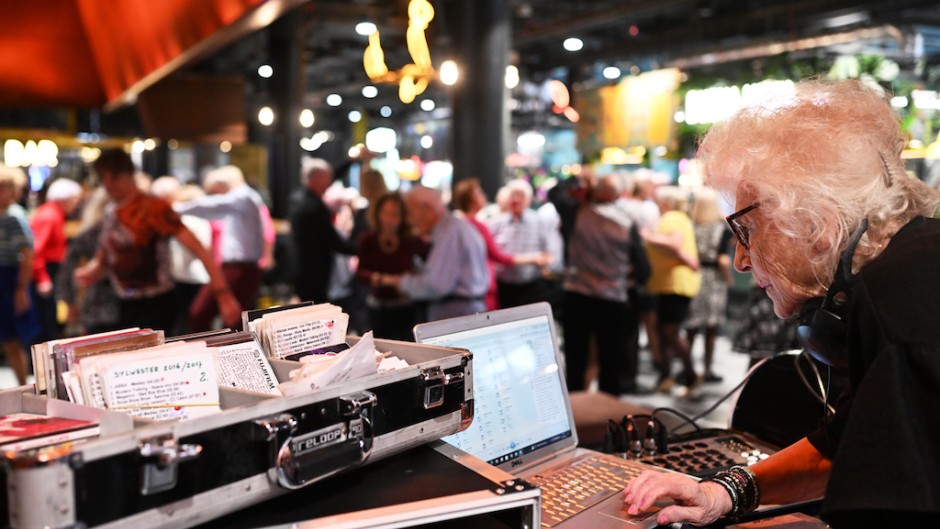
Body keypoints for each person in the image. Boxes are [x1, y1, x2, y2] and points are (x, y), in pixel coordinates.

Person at [623, 79, 940, 528]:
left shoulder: (896, 302)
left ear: (815, 223)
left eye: (745, 231)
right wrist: (723, 492)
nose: (740, 260)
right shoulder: (908, 269)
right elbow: (846, 442)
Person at [74, 149, 241, 331]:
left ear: (128, 175)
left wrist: (223, 295)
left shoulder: (154, 208)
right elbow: (103, 260)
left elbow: (199, 249)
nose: (106, 183)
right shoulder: (110, 212)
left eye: (113, 177)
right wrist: (88, 273)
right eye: (102, 177)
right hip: (123, 303)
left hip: (156, 305)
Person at [561, 175, 637, 395]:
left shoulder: (577, 212)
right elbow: (642, 267)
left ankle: (575, 410)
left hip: (578, 294)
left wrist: (577, 179)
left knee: (576, 359)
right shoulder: (626, 221)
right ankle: (608, 414)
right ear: (618, 194)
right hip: (612, 298)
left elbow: (555, 194)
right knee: (611, 361)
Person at [173, 166, 266, 331]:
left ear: (222, 186)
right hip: (240, 268)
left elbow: (210, 207)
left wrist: (174, 210)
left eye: (214, 192)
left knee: (206, 315)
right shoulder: (246, 198)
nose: (214, 195)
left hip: (239, 268)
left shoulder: (242, 196)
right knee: (232, 319)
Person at [378, 186, 488, 321]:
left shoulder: (449, 232)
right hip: (464, 312)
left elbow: (435, 286)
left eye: (410, 213)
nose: (408, 220)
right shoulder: (454, 228)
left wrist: (401, 282)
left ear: (426, 209)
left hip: (457, 315)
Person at [452, 178, 549, 311]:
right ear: (472, 199)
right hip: (483, 288)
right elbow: (498, 256)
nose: (484, 196)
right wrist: (533, 258)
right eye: (479, 193)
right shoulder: (479, 225)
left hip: (518, 286)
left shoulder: (464, 223)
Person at [642, 185, 701, 395]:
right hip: (668, 283)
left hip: (674, 284)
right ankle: (667, 376)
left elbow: (675, 245)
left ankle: (690, 374)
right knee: (664, 332)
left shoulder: (672, 218)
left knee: (670, 332)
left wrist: (646, 235)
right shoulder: (679, 218)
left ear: (666, 202)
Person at [355, 193, 429, 340]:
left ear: (403, 217)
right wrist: (381, 279)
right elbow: (360, 273)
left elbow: (427, 270)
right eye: (385, 213)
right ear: (378, 214)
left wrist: (407, 281)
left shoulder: (412, 241)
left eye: (395, 215)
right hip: (378, 308)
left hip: (405, 308)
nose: (389, 220)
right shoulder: (368, 240)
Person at [288, 158, 357, 304]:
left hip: (301, 269)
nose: (330, 183)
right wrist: (362, 248)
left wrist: (351, 161)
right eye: (327, 178)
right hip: (313, 273)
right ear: (318, 178)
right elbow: (333, 241)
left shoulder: (298, 197)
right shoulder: (314, 207)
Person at [55, 187, 120, 335]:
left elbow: (66, 271)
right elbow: (67, 271)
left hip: (105, 307)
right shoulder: (94, 232)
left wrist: (70, 304)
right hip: (105, 307)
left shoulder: (91, 231)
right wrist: (70, 304)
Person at [486, 179, 561, 308]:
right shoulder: (495, 223)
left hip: (531, 288)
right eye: (513, 195)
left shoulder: (539, 222)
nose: (516, 200)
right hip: (503, 288)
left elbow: (550, 253)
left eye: (520, 195)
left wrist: (543, 261)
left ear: (528, 200)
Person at [683, 189, 733, 383]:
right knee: (711, 328)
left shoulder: (690, 225)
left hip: (693, 276)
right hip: (713, 279)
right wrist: (729, 280)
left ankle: (687, 368)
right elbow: (722, 260)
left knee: (691, 327)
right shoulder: (721, 228)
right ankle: (707, 369)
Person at [30, 178, 83, 342]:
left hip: (51, 269)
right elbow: (36, 249)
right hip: (47, 270)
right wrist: (42, 278)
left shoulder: (54, 214)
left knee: (49, 317)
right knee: (46, 319)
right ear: (64, 199)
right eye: (74, 199)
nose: (76, 204)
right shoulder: (49, 216)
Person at [0, 166, 38, 385]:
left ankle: (23, 385)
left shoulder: (15, 217)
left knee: (12, 339)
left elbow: (27, 253)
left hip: (9, 279)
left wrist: (21, 288)